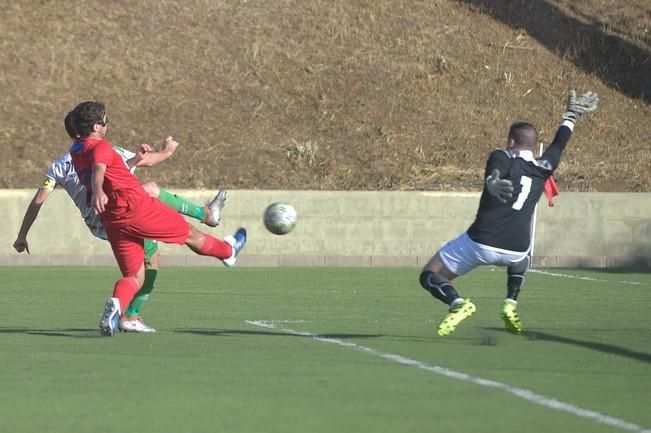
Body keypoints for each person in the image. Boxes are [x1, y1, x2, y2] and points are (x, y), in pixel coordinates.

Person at [13, 114, 228, 333]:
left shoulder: (60, 165)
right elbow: (126, 166)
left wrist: (22, 235)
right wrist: (168, 150)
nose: (106, 125)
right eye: (104, 122)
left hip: (99, 223)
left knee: (151, 191)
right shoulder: (107, 149)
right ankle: (130, 316)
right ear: (93, 128)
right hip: (118, 214)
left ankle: (207, 214)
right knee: (151, 261)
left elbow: (38, 201)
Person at [418, 89, 599, 336]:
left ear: (511, 141)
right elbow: (559, 143)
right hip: (516, 249)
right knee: (522, 256)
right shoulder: (544, 166)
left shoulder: (502, 156)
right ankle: (510, 302)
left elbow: (497, 166)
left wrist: (492, 181)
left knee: (430, 273)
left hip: (481, 243)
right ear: (533, 145)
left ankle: (458, 303)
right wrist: (571, 115)